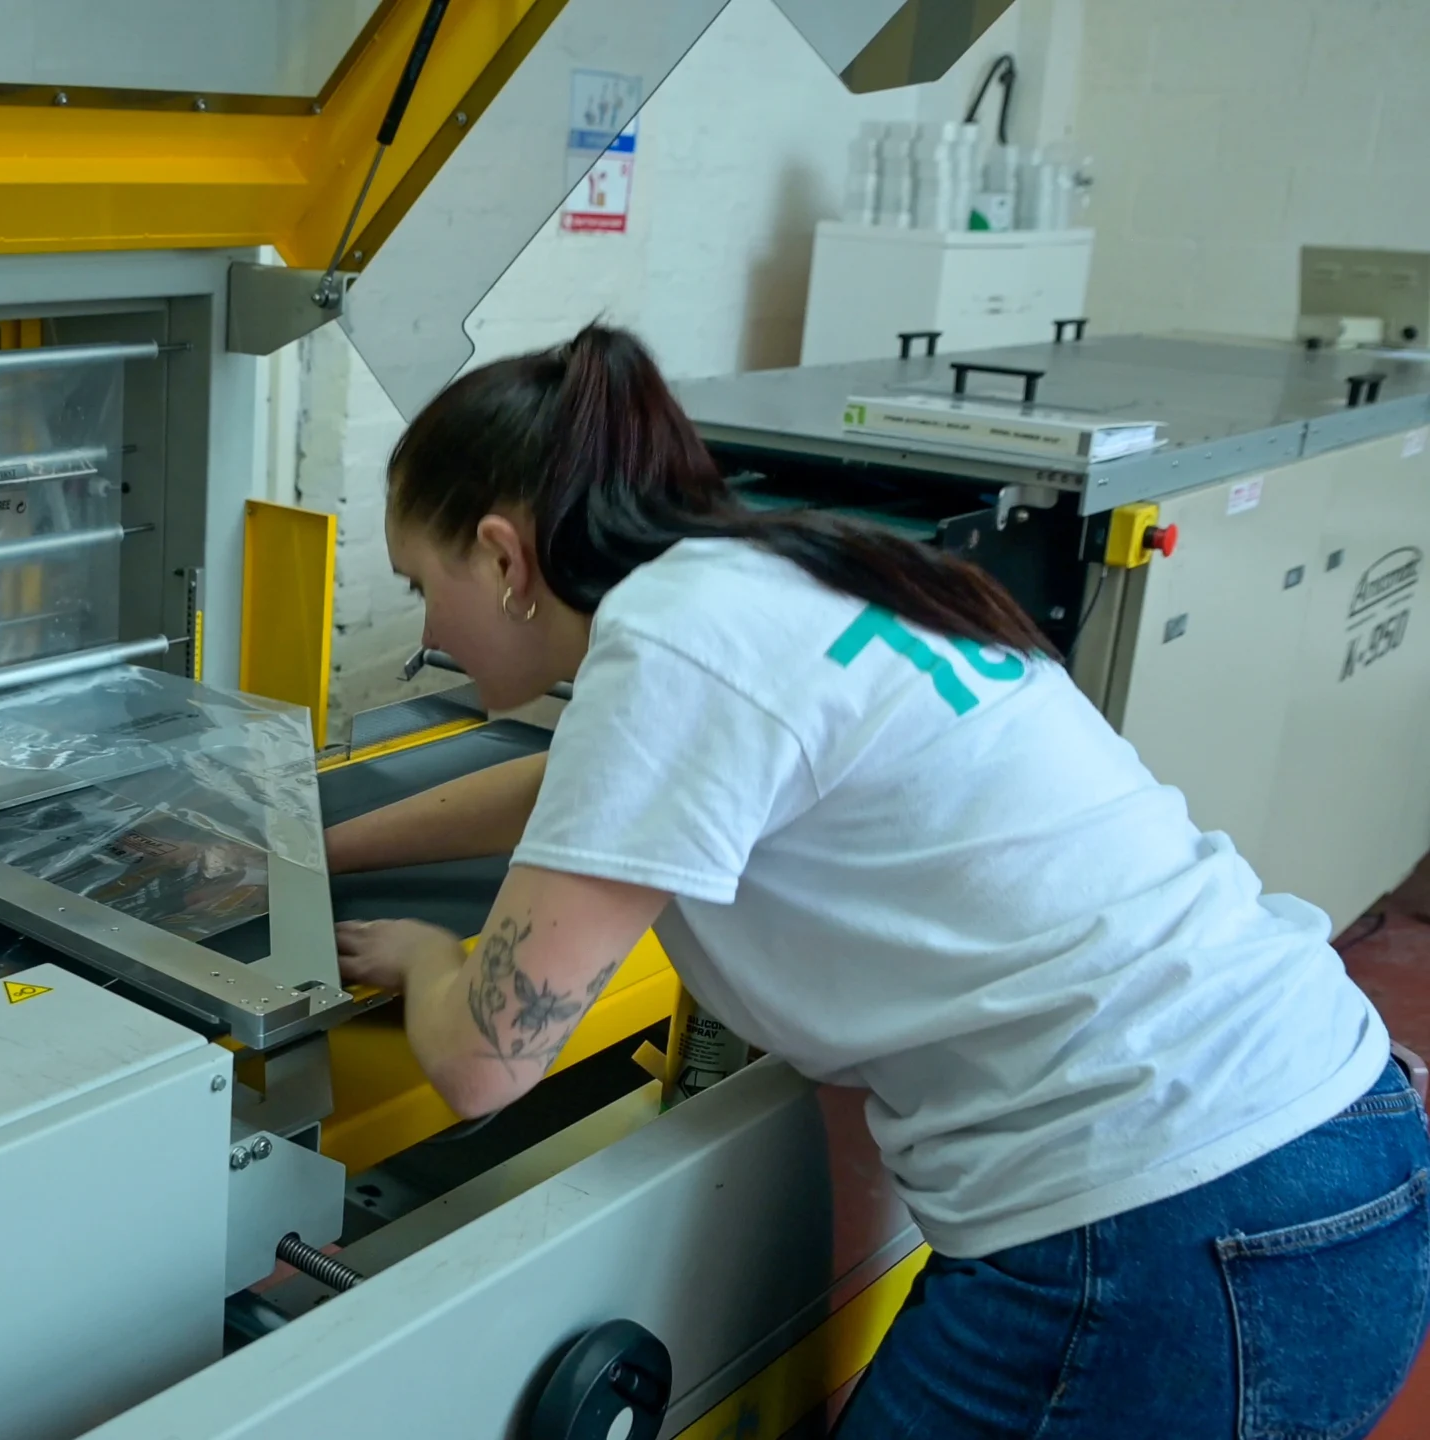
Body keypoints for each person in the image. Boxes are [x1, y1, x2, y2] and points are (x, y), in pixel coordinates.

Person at [326, 322, 1429, 1438]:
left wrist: (429, 957)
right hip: (1328, 1143)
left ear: (506, 558)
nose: (427, 626)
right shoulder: (783, 577)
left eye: (423, 582)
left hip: (1160, 1229)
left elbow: (481, 1064)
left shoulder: (669, 640)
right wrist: (316, 849)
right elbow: (594, 796)